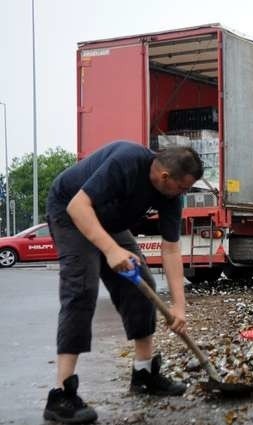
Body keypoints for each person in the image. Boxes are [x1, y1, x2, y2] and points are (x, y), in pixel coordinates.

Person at [43, 141, 203, 424]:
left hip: (108, 221)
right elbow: (78, 206)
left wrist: (179, 306)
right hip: (70, 211)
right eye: (183, 188)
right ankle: (61, 394)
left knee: (141, 283)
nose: (184, 194)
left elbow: (171, 249)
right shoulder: (127, 161)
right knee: (81, 289)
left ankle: (143, 374)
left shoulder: (170, 195)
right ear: (165, 176)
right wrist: (111, 249)